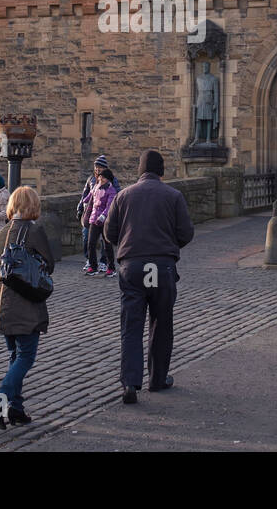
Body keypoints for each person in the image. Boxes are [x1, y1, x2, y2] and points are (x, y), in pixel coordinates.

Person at [104, 150, 194, 405]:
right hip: (161, 266)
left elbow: (109, 233)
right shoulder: (173, 196)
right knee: (161, 323)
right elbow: (186, 233)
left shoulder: (123, 196)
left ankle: (130, 383)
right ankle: (158, 378)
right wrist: (166, 246)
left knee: (131, 326)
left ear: (140, 170)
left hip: (132, 266)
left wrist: (129, 245)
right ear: (161, 171)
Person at [0, 185, 55, 429]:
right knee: (25, 356)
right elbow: (49, 264)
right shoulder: (34, 231)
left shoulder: (4, 230)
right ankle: (1, 398)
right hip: (25, 305)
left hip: (3, 304)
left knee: (15, 356)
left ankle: (15, 408)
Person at [76, 155, 120, 271]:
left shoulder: (112, 180)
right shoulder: (91, 180)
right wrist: (80, 208)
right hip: (91, 215)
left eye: (99, 167)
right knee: (87, 239)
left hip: (104, 217)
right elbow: (85, 195)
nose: (97, 170)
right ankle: (90, 260)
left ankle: (104, 262)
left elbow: (117, 196)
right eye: (96, 167)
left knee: (105, 241)